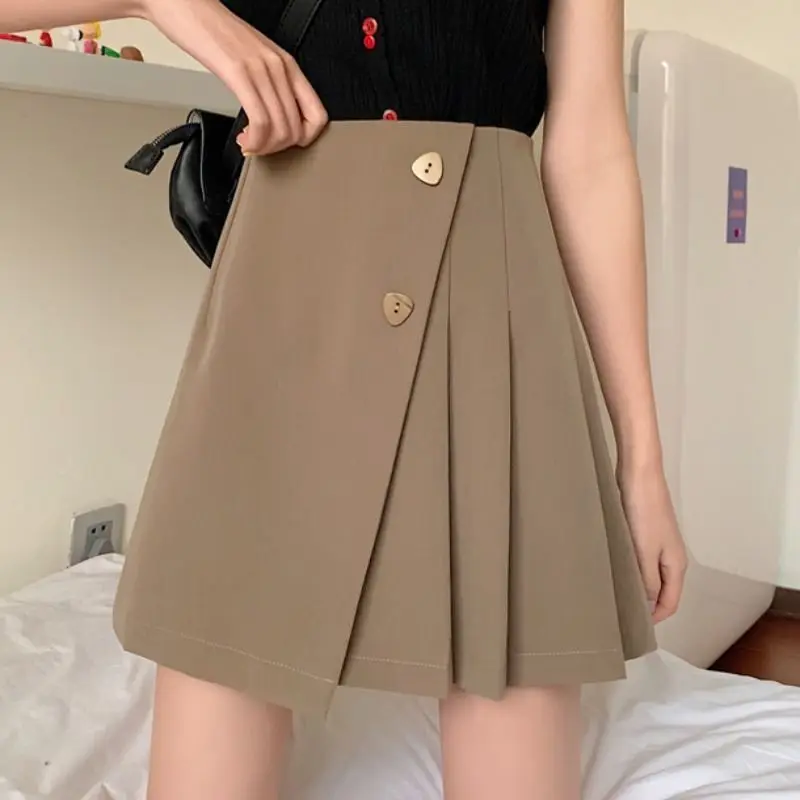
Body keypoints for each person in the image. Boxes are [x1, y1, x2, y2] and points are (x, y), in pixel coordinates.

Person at [6, 0, 688, 797]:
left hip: (495, 317)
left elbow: (590, 152)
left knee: (516, 709)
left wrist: (641, 461)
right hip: (281, 320)